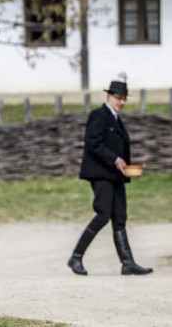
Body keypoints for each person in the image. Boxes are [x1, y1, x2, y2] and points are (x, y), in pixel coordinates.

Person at [67, 79, 153, 276]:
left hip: (116, 176)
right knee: (103, 214)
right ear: (108, 96)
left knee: (120, 217)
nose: (121, 102)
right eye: (118, 98)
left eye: (123, 99)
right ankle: (76, 257)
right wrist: (115, 159)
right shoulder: (98, 115)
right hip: (101, 174)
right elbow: (94, 143)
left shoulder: (116, 119)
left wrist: (126, 166)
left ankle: (127, 263)